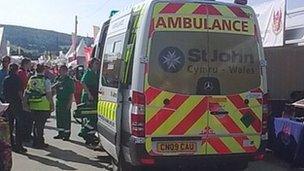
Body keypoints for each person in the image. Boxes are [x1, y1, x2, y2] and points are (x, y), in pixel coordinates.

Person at [23, 64, 54, 149]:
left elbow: (26, 92)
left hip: (33, 104)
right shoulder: (46, 80)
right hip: (43, 105)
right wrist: (52, 104)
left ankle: (36, 141)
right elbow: (48, 94)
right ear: (43, 70)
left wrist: (25, 103)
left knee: (36, 124)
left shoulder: (31, 79)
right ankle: (39, 142)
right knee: (40, 125)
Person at [3, 63, 27, 153]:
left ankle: (11, 144)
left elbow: (4, 92)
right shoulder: (17, 79)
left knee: (10, 125)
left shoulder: (6, 79)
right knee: (19, 125)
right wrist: (23, 102)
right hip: (17, 104)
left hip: (8, 104)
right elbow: (20, 92)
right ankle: (19, 145)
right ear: (17, 70)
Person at [79, 58, 100, 145]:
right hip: (88, 98)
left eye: (98, 64)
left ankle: (89, 136)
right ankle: (85, 133)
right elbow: (83, 82)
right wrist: (89, 94)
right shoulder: (89, 72)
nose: (97, 65)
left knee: (92, 118)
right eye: (96, 64)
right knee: (90, 118)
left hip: (93, 97)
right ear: (91, 64)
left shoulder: (95, 74)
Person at [53, 65, 74, 141]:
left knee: (66, 119)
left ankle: (67, 134)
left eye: (61, 70)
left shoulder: (69, 80)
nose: (60, 72)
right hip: (59, 101)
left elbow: (71, 93)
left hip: (66, 101)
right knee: (59, 118)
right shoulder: (57, 79)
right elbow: (53, 89)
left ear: (65, 71)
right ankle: (60, 133)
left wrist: (70, 103)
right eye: (59, 70)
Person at [17, 58, 32, 141]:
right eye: (29, 64)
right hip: (23, 97)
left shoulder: (24, 72)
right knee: (26, 117)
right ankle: (25, 135)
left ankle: (27, 134)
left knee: (27, 117)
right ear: (25, 64)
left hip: (25, 97)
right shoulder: (21, 73)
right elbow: (23, 86)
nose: (30, 66)